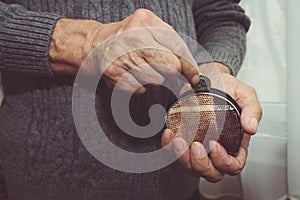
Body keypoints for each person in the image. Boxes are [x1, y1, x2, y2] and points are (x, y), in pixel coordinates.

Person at [0, 0, 262, 200]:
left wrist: (214, 69)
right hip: (42, 183)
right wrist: (88, 43)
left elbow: (221, 15)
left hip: (178, 184)